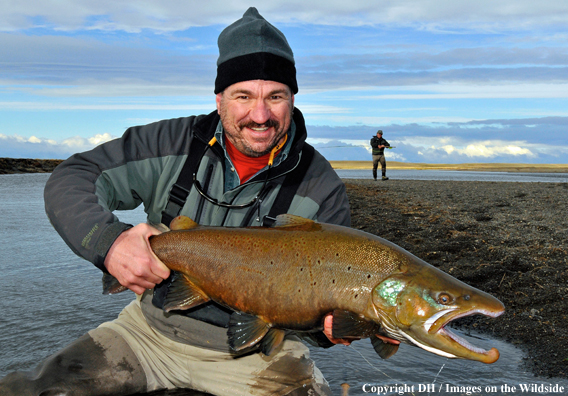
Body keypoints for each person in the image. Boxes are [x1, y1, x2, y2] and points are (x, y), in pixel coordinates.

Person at [0, 8, 353, 396]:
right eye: (243, 96)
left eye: (276, 96)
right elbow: (72, 177)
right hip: (147, 333)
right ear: (219, 99)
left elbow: (323, 329)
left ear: (292, 99)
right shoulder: (169, 143)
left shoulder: (322, 188)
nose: (260, 114)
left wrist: (333, 328)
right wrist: (110, 243)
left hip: (259, 356)